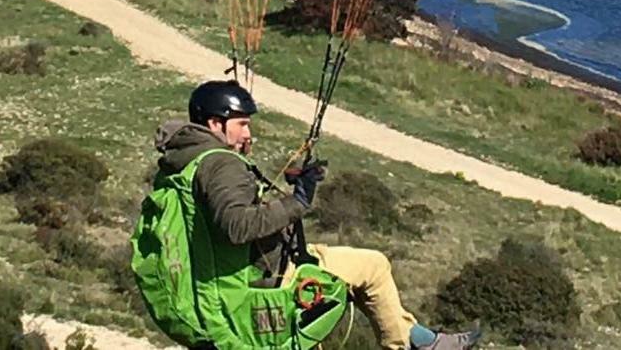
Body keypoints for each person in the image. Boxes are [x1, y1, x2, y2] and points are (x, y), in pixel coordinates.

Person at [155, 80, 481, 350]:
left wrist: (281, 196)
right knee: (374, 267)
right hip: (264, 276)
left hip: (237, 268)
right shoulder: (220, 163)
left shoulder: (185, 159)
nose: (248, 134)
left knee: (358, 267)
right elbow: (236, 226)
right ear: (216, 123)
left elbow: (223, 213)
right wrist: (298, 201)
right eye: (242, 124)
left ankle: (419, 340)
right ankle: (414, 345)